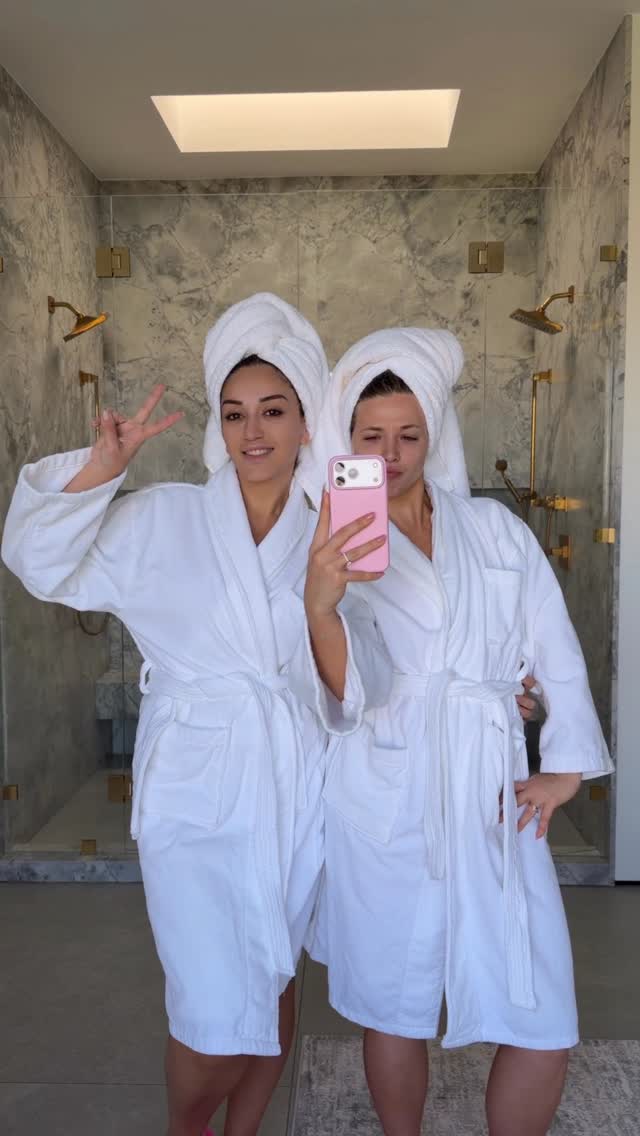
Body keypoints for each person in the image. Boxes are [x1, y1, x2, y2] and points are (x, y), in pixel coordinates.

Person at [1, 294, 390, 1136]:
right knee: (210, 1003)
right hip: (193, 787)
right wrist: (100, 470)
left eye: (274, 411)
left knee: (274, 974)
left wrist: (328, 602)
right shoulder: (164, 517)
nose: (254, 432)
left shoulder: (335, 531)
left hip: (292, 780)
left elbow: (362, 676)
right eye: (235, 412)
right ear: (219, 424)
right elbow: (36, 562)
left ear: (305, 421)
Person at [303, 326, 613, 1136]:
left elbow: (554, 644)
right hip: (388, 787)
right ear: (347, 440)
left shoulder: (495, 531)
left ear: (434, 434)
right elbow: (350, 689)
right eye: (371, 436)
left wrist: (566, 767)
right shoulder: (332, 541)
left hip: (490, 787)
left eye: (408, 435)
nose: (390, 454)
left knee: (540, 1008)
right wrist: (322, 603)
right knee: (393, 1002)